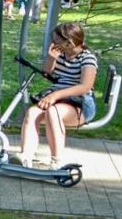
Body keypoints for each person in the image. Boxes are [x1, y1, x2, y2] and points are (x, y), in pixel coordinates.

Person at [16, 21, 97, 168]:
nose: (54, 43)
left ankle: (56, 160)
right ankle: (26, 155)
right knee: (33, 112)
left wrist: (54, 96)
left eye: (58, 41)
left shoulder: (87, 58)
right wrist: (51, 58)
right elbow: (47, 73)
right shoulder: (61, 55)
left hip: (81, 104)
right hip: (59, 99)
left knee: (54, 112)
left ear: (70, 41)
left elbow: (85, 87)